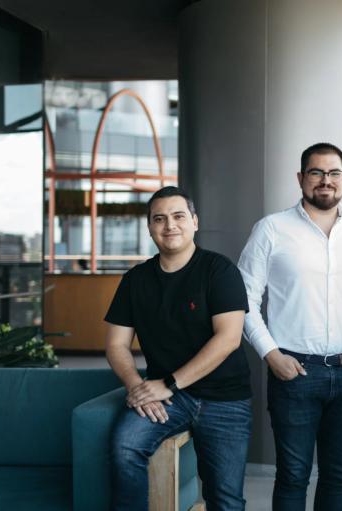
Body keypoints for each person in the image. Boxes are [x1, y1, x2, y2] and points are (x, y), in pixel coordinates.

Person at [238, 142, 342, 511]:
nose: (326, 181)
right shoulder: (271, 229)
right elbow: (243, 299)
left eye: (334, 173)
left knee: (338, 477)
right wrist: (270, 354)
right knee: (293, 476)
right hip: (293, 373)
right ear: (301, 178)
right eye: (316, 172)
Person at [104, 186, 252, 511]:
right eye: (160, 219)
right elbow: (116, 345)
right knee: (125, 446)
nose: (169, 225)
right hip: (168, 398)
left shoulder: (219, 270)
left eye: (178, 216)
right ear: (150, 228)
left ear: (194, 222)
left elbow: (228, 338)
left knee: (225, 498)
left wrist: (168, 382)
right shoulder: (135, 280)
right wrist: (136, 387)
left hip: (224, 397)